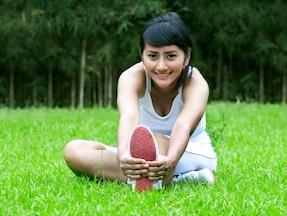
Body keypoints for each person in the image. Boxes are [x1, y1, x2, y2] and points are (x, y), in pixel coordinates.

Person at [63, 12, 217, 191]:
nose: (161, 66)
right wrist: (123, 156)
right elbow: (128, 118)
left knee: (159, 140)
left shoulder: (196, 83)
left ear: (187, 57)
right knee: (74, 151)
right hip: (145, 157)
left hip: (189, 154)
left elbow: (182, 126)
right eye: (153, 56)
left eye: (171, 56)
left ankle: (166, 175)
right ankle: (178, 180)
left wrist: (170, 160)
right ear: (142, 55)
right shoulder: (131, 78)